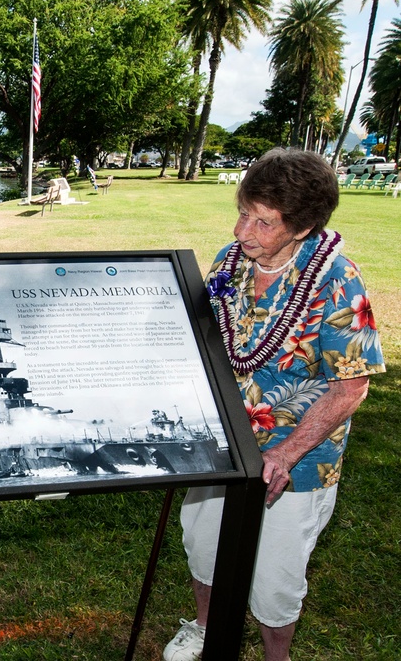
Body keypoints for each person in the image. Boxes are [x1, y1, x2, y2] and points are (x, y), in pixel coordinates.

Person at [163, 148, 385, 661]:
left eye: (263, 222)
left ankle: (275, 656)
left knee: (276, 576)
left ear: (303, 227)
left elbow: (351, 387)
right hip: (220, 443)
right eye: (242, 211)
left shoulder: (336, 281)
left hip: (298, 456)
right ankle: (203, 626)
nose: (244, 231)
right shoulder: (231, 258)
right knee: (203, 543)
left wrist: (284, 455)